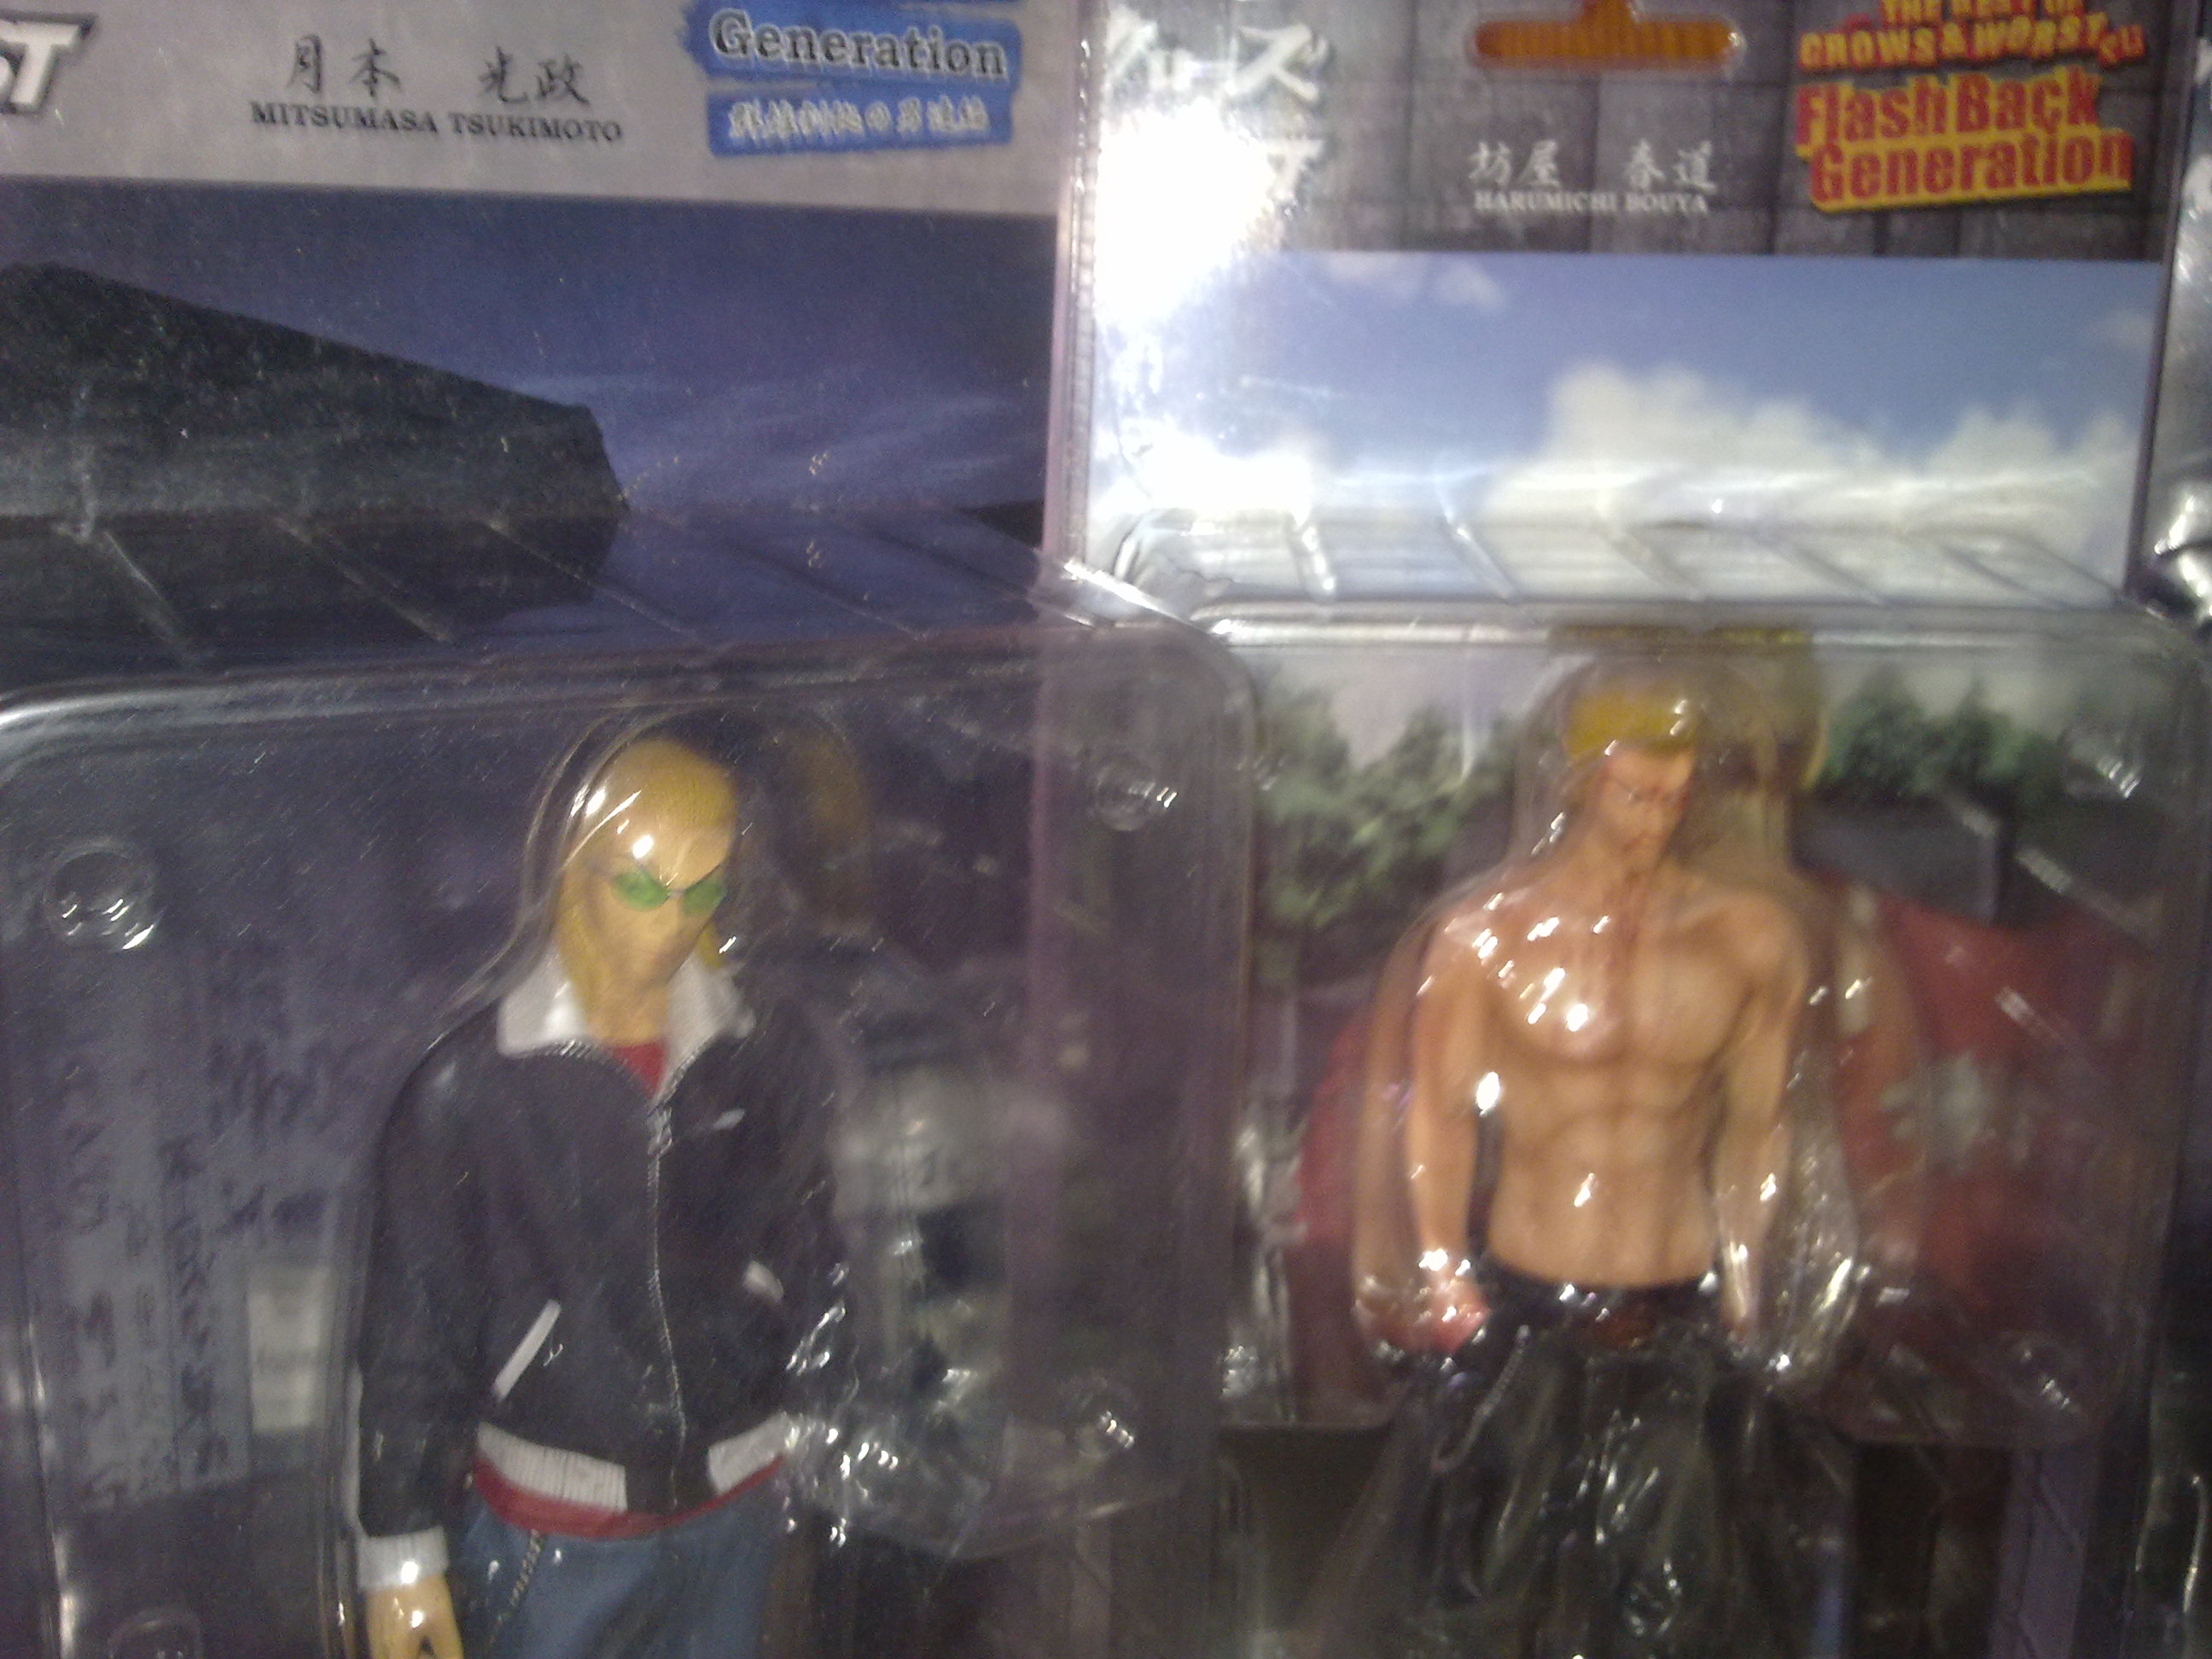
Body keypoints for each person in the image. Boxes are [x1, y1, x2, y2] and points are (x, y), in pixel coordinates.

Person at [1348, 664, 1843, 1659]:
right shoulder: (1484, 940)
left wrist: (1751, 1277)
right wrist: (1440, 1268)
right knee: (1476, 1591)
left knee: (1671, 1599)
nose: (1658, 813)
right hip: (1522, 1302)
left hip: (1679, 1303)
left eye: (1676, 792)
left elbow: (1760, 1126)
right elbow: (1437, 1113)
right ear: (1579, 781)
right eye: (1635, 790)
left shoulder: (1751, 937)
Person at [355, 735, 840, 1659]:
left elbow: (813, 1249)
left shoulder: (761, 1053)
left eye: (704, 888)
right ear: (575, 873)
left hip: (739, 1504)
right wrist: (401, 1555)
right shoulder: (473, 1085)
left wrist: (829, 1421)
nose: (675, 921)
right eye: (645, 886)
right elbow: (412, 1333)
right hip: (556, 1533)